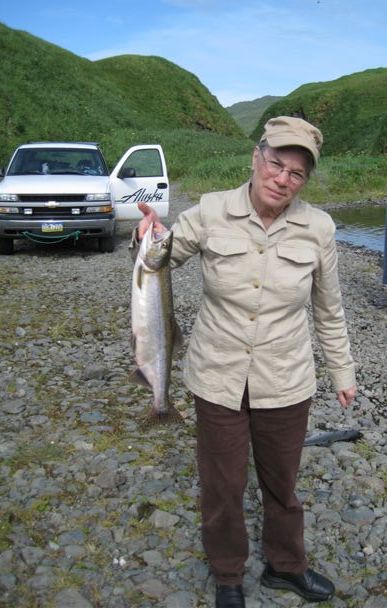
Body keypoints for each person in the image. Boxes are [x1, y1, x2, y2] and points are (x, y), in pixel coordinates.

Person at [134, 116, 356, 607]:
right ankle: (229, 574)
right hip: (217, 376)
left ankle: (286, 566)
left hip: (287, 379)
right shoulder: (211, 211)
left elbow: (329, 308)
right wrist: (151, 236)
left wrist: (343, 372)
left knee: (282, 485)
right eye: (276, 164)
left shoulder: (319, 227)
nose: (283, 179)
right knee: (223, 487)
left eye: (297, 174)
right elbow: (164, 260)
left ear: (305, 181)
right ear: (256, 158)